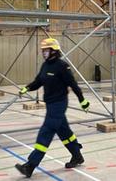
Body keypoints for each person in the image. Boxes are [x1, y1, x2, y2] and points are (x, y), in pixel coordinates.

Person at [15, 38, 90, 178]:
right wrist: (27, 88)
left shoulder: (62, 66)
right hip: (50, 105)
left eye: (46, 50)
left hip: (59, 104)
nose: (43, 52)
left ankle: (30, 165)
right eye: (43, 50)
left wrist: (83, 101)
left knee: (46, 132)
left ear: (54, 51)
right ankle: (77, 156)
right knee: (65, 133)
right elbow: (38, 81)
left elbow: (73, 85)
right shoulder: (45, 66)